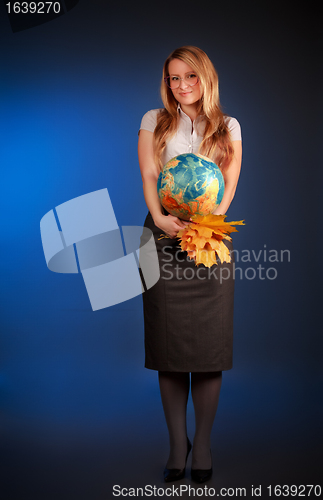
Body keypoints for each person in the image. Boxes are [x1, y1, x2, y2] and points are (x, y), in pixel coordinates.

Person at [138, 46, 242, 484]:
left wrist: (206, 223)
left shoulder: (228, 126)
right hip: (161, 237)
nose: (181, 85)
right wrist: (162, 219)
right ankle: (177, 444)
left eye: (189, 77)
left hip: (208, 238)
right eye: (173, 78)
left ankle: (202, 444)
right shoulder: (153, 120)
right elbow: (148, 174)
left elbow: (230, 184)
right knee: (169, 349)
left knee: (208, 348)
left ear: (206, 78)